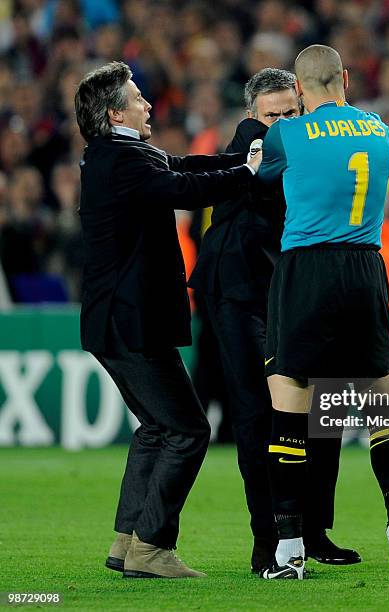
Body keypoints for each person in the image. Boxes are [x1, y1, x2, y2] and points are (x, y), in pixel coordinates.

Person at [74, 61, 262, 579]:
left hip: (119, 321)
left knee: (157, 429)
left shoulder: (115, 155)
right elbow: (184, 190)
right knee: (188, 429)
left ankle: (126, 541)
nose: (148, 104)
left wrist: (239, 160)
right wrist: (247, 174)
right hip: (130, 323)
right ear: (115, 112)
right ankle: (152, 547)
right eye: (137, 98)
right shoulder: (122, 159)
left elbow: (181, 167)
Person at [258, 45, 389, 580]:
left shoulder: (286, 135)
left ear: (299, 87)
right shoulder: (379, 129)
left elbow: (261, 180)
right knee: (382, 405)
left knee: (290, 403)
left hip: (307, 270)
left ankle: (289, 552)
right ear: (345, 79)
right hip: (365, 267)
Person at [190, 68, 360, 572]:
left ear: (303, 107)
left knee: (322, 410)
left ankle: (314, 532)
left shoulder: (306, 144)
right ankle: (269, 541)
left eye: (291, 112)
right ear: (252, 115)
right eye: (272, 115)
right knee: (256, 415)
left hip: (291, 287)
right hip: (239, 292)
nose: (282, 122)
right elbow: (259, 159)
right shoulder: (251, 139)